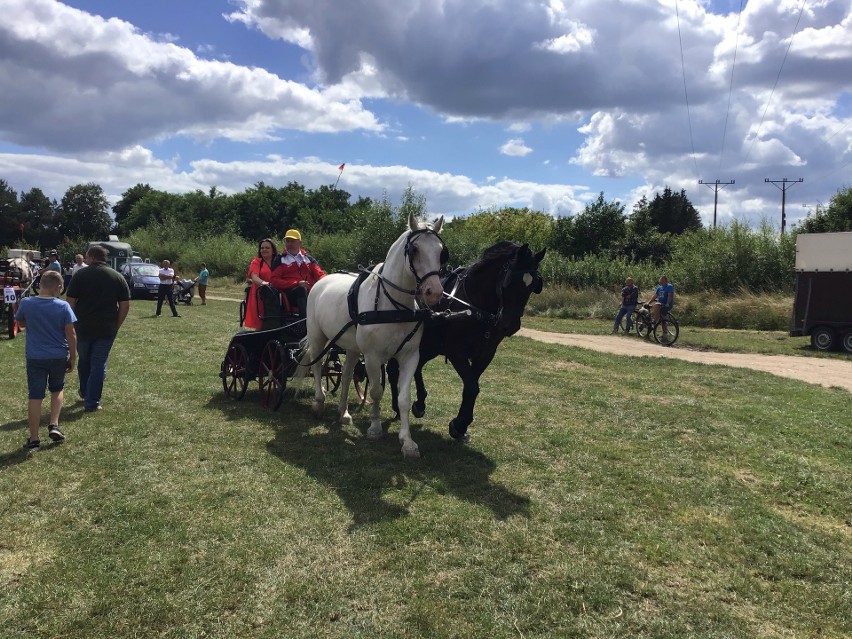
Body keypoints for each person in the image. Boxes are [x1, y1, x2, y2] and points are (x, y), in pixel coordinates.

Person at [14, 270, 76, 452]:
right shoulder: (63, 306)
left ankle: (34, 438)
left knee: (35, 395)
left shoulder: (27, 303)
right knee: (57, 389)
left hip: (35, 356)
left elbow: (21, 321)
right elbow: (71, 334)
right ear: (58, 287)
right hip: (58, 355)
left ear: (40, 285)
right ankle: (54, 424)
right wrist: (73, 356)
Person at [66, 245, 131, 412]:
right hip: (106, 327)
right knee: (98, 364)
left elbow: (70, 301)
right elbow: (124, 305)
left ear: (91, 257)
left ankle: (84, 391)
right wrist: (116, 325)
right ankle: (92, 401)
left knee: (84, 360)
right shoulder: (117, 277)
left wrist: (72, 323)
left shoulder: (80, 275)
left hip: (82, 326)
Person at [270, 229, 326, 319]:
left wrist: (329, 281)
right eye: (287, 241)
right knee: (301, 289)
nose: (289, 244)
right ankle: (304, 322)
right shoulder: (280, 259)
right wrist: (296, 283)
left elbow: (319, 274)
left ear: (300, 243)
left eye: (293, 241)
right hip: (290, 295)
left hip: (310, 293)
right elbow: (274, 281)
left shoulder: (308, 259)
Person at [243, 238, 278, 330]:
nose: (264, 250)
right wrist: (265, 283)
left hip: (276, 294)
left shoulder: (278, 262)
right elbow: (254, 277)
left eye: (267, 248)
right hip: (260, 295)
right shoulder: (257, 262)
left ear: (273, 250)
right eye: (262, 248)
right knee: (261, 323)